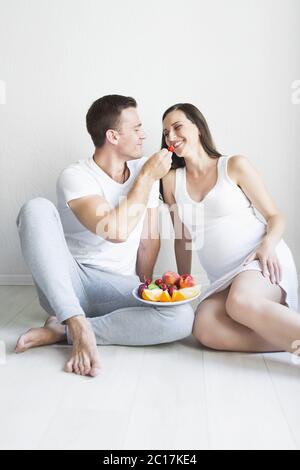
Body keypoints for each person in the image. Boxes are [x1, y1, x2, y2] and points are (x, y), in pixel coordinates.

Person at [15, 95, 195, 377]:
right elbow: (115, 230)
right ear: (112, 135)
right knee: (35, 209)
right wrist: (146, 177)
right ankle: (74, 320)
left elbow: (148, 241)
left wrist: (145, 289)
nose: (143, 135)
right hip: (69, 283)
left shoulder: (143, 169)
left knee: (182, 316)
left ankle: (64, 332)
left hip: (116, 286)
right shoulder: (76, 176)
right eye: (136, 128)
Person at [161, 102, 299, 353]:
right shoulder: (171, 180)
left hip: (259, 260)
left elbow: (275, 216)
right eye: (166, 132)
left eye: (177, 126)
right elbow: (182, 237)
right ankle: (288, 339)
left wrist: (266, 247)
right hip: (225, 280)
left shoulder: (233, 166)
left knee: (240, 302)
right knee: (204, 326)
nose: (171, 136)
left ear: (198, 127)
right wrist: (183, 284)